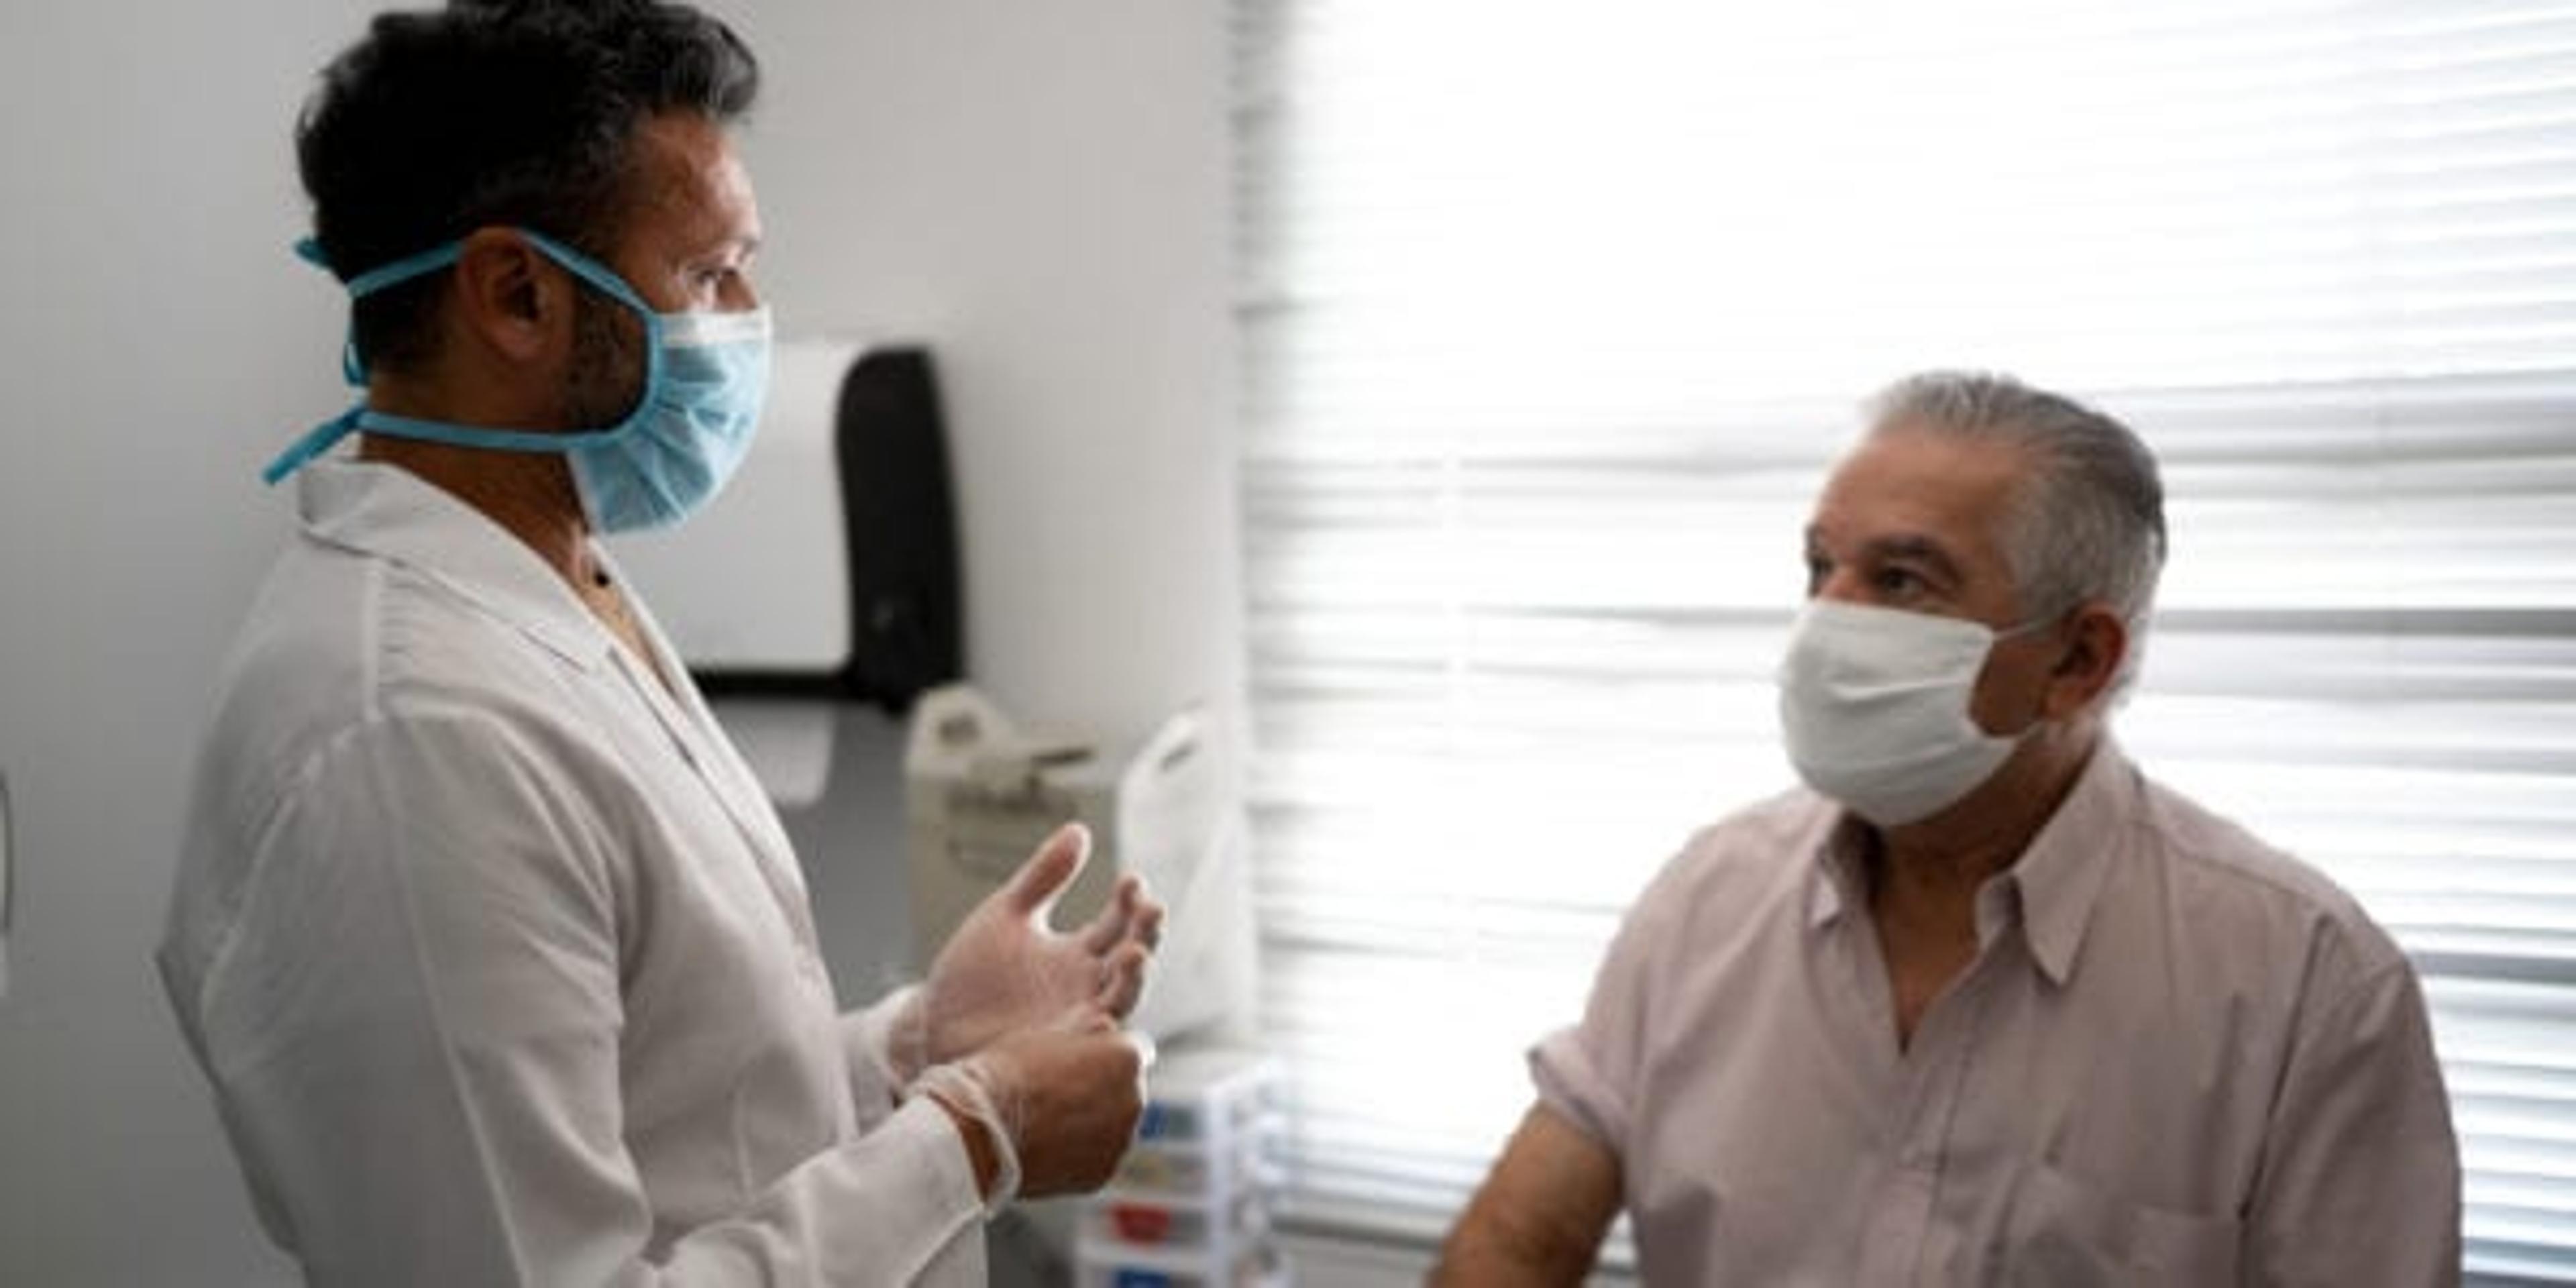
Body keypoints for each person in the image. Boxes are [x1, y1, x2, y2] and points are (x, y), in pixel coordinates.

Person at [156, 3, 1164, 1283]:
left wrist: (922, 1049)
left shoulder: (554, 585)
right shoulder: (413, 737)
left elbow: (697, 1120)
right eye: (705, 275)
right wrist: (976, 1137)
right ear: (516, 294)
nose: (749, 318)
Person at [1435, 372, 2461, 1285]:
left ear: (2077, 661)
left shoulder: (2306, 984)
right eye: (1819, 568)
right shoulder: (1711, 897)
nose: (1824, 627)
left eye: (1899, 581)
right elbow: (1521, 1243)